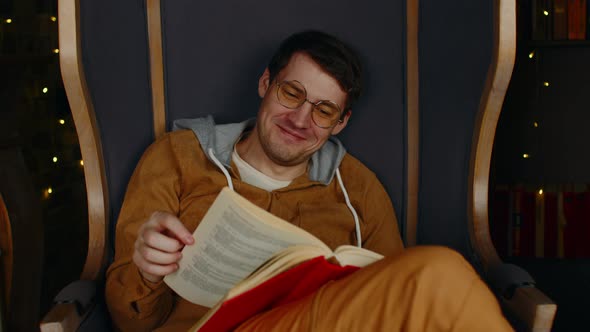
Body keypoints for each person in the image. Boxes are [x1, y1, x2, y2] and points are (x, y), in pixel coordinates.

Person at [105, 30, 512, 331]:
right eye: (291, 93)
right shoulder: (178, 156)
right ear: (266, 84)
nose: (300, 120)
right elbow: (130, 322)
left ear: (340, 123)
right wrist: (148, 269)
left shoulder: (359, 188)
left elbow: (395, 300)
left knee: (437, 279)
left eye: (323, 110)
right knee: (440, 271)